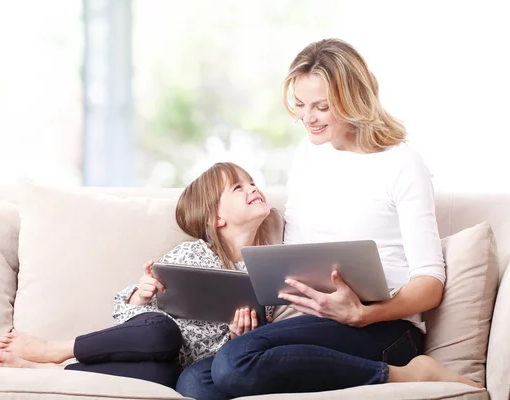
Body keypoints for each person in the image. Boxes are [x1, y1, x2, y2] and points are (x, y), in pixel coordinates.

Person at [176, 39, 482, 399]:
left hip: (382, 328)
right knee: (195, 381)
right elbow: (294, 255)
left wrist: (362, 314)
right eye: (301, 105)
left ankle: (409, 374)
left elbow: (430, 283)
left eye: (321, 107)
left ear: (353, 101)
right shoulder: (309, 154)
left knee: (232, 364)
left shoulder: (401, 164)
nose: (307, 118)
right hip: (307, 321)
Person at [0, 162, 280, 388]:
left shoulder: (264, 276)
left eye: (252, 183)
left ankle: (46, 370)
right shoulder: (193, 254)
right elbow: (127, 318)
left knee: (164, 377)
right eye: (238, 188)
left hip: (178, 363)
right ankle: (56, 349)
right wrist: (141, 294)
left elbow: (222, 361)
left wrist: (236, 336)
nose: (253, 188)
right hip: (152, 335)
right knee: (164, 333)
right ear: (217, 218)